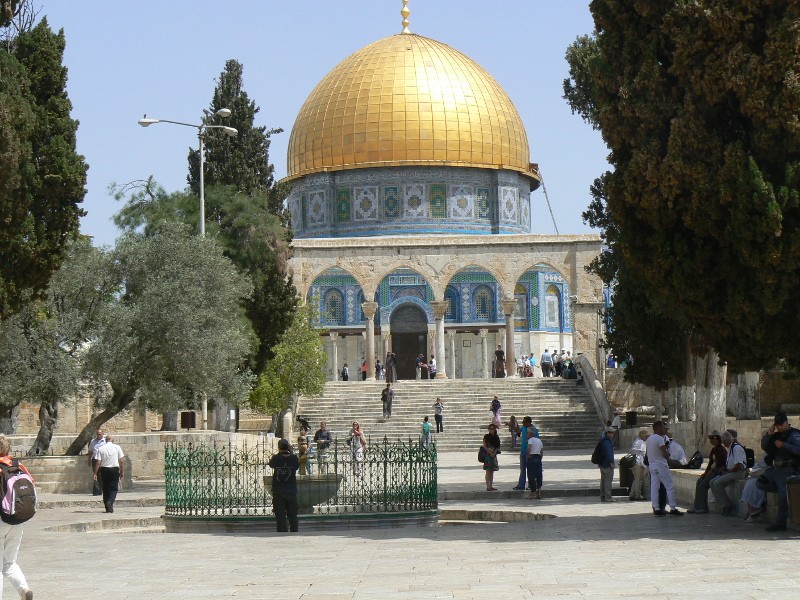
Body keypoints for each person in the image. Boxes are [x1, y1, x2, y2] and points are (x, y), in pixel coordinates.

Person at [0, 435, 34, 600]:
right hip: (17, 518)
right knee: (10, 562)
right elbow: (31, 483)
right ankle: (24, 590)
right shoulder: (18, 465)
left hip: (1, 520)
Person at [757, 412, 800, 532]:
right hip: (776, 469)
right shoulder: (775, 435)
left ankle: (781, 523)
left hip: (789, 470)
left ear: (787, 422)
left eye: (781, 424)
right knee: (760, 482)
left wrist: (784, 445)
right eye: (777, 425)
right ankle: (784, 490)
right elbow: (764, 446)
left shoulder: (794, 435)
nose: (779, 427)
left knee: (782, 496)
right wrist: (769, 435)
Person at [647, 421, 684, 516]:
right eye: (663, 427)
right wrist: (670, 459)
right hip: (660, 465)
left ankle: (656, 508)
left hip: (652, 465)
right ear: (658, 428)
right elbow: (664, 453)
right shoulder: (659, 438)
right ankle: (673, 508)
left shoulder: (649, 438)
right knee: (670, 486)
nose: (665, 429)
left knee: (654, 487)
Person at [709, 429, 748, 516]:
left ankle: (728, 506)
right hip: (732, 471)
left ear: (726, 441)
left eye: (723, 442)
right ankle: (724, 505)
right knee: (712, 482)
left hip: (739, 472)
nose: (723, 444)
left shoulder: (736, 448)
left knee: (717, 483)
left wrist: (729, 471)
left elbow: (738, 465)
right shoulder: (730, 448)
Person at [687, 430, 727, 514]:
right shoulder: (714, 449)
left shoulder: (721, 450)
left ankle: (703, 507)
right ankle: (697, 506)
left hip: (718, 472)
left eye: (713, 438)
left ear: (718, 439)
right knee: (699, 482)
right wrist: (705, 472)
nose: (711, 440)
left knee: (703, 486)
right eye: (710, 438)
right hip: (712, 472)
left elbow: (722, 465)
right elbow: (710, 463)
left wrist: (712, 471)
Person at [268, 438, 300, 532]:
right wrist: (291, 452)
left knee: (280, 516)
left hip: (278, 490)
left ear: (279, 448)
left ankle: (282, 533)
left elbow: (271, 464)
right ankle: (294, 532)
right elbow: (297, 466)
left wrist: (280, 453)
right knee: (293, 515)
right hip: (291, 490)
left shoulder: (276, 458)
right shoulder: (293, 458)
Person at [93, 433, 125, 513]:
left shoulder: (101, 448)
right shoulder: (117, 447)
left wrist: (95, 473)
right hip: (114, 469)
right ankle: (110, 502)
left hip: (104, 470)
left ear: (105, 440)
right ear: (112, 440)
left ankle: (107, 507)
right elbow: (121, 461)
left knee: (105, 488)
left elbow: (98, 462)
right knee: (113, 488)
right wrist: (122, 471)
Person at [629, 429, 650, 501]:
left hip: (634, 462)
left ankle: (632, 494)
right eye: (646, 436)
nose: (647, 438)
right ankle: (637, 495)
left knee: (636, 479)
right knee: (638, 480)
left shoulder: (636, 441)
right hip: (638, 463)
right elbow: (642, 455)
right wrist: (643, 465)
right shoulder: (641, 443)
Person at [513, 416, 532, 490]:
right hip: (523, 451)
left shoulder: (533, 429)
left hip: (530, 452)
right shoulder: (523, 428)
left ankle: (531, 485)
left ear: (528, 422)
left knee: (530, 469)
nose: (523, 423)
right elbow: (518, 431)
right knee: (522, 469)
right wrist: (511, 425)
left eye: (524, 422)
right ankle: (521, 485)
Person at [598, 427, 616, 502]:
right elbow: (609, 453)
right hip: (607, 464)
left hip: (602, 464)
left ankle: (602, 496)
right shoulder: (607, 442)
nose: (613, 434)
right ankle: (608, 497)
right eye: (611, 432)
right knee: (608, 481)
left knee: (603, 481)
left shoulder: (602, 441)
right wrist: (611, 462)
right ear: (607, 433)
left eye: (613, 432)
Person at [526, 427, 544, 499]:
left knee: (531, 475)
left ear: (530, 433)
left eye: (527, 433)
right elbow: (541, 451)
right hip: (538, 457)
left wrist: (528, 455)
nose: (527, 435)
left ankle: (533, 492)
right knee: (539, 475)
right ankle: (539, 492)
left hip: (532, 458)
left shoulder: (530, 440)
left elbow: (529, 447)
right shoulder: (539, 440)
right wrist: (540, 458)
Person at [482, 424, 501, 491]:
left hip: (494, 456)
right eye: (490, 429)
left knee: (492, 471)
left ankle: (491, 485)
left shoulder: (496, 437)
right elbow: (484, 446)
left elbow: (498, 447)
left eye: (492, 429)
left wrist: (494, 453)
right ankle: (488, 486)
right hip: (488, 455)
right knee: (488, 471)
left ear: (495, 429)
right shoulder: (486, 436)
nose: (491, 430)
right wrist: (490, 452)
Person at [88, 428, 105, 496]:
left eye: (100, 434)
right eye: (97, 434)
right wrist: (89, 459)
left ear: (103, 434)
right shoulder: (93, 441)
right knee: (96, 475)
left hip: (103, 460)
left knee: (103, 475)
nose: (98, 435)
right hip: (95, 460)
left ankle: (104, 489)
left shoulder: (105, 441)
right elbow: (90, 451)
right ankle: (97, 490)